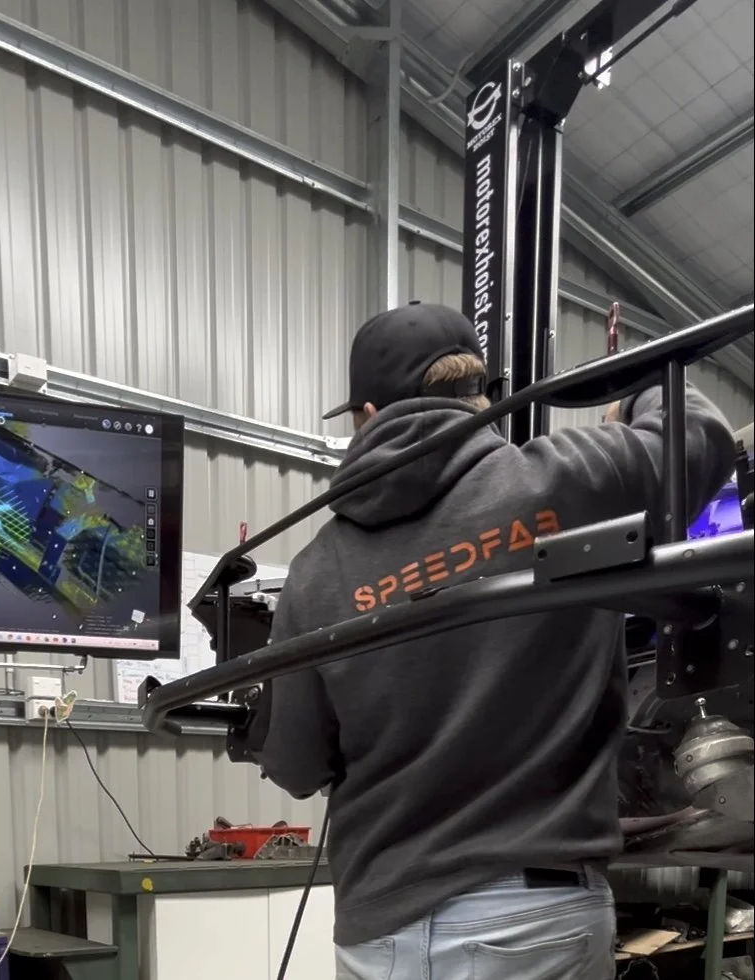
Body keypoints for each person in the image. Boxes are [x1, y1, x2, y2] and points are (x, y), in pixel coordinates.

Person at [251, 302, 736, 980]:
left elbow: (299, 766)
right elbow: (705, 437)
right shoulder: (564, 481)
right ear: (482, 396)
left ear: (366, 416)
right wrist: (637, 393)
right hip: (535, 916)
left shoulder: (314, 572)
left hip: (379, 930)